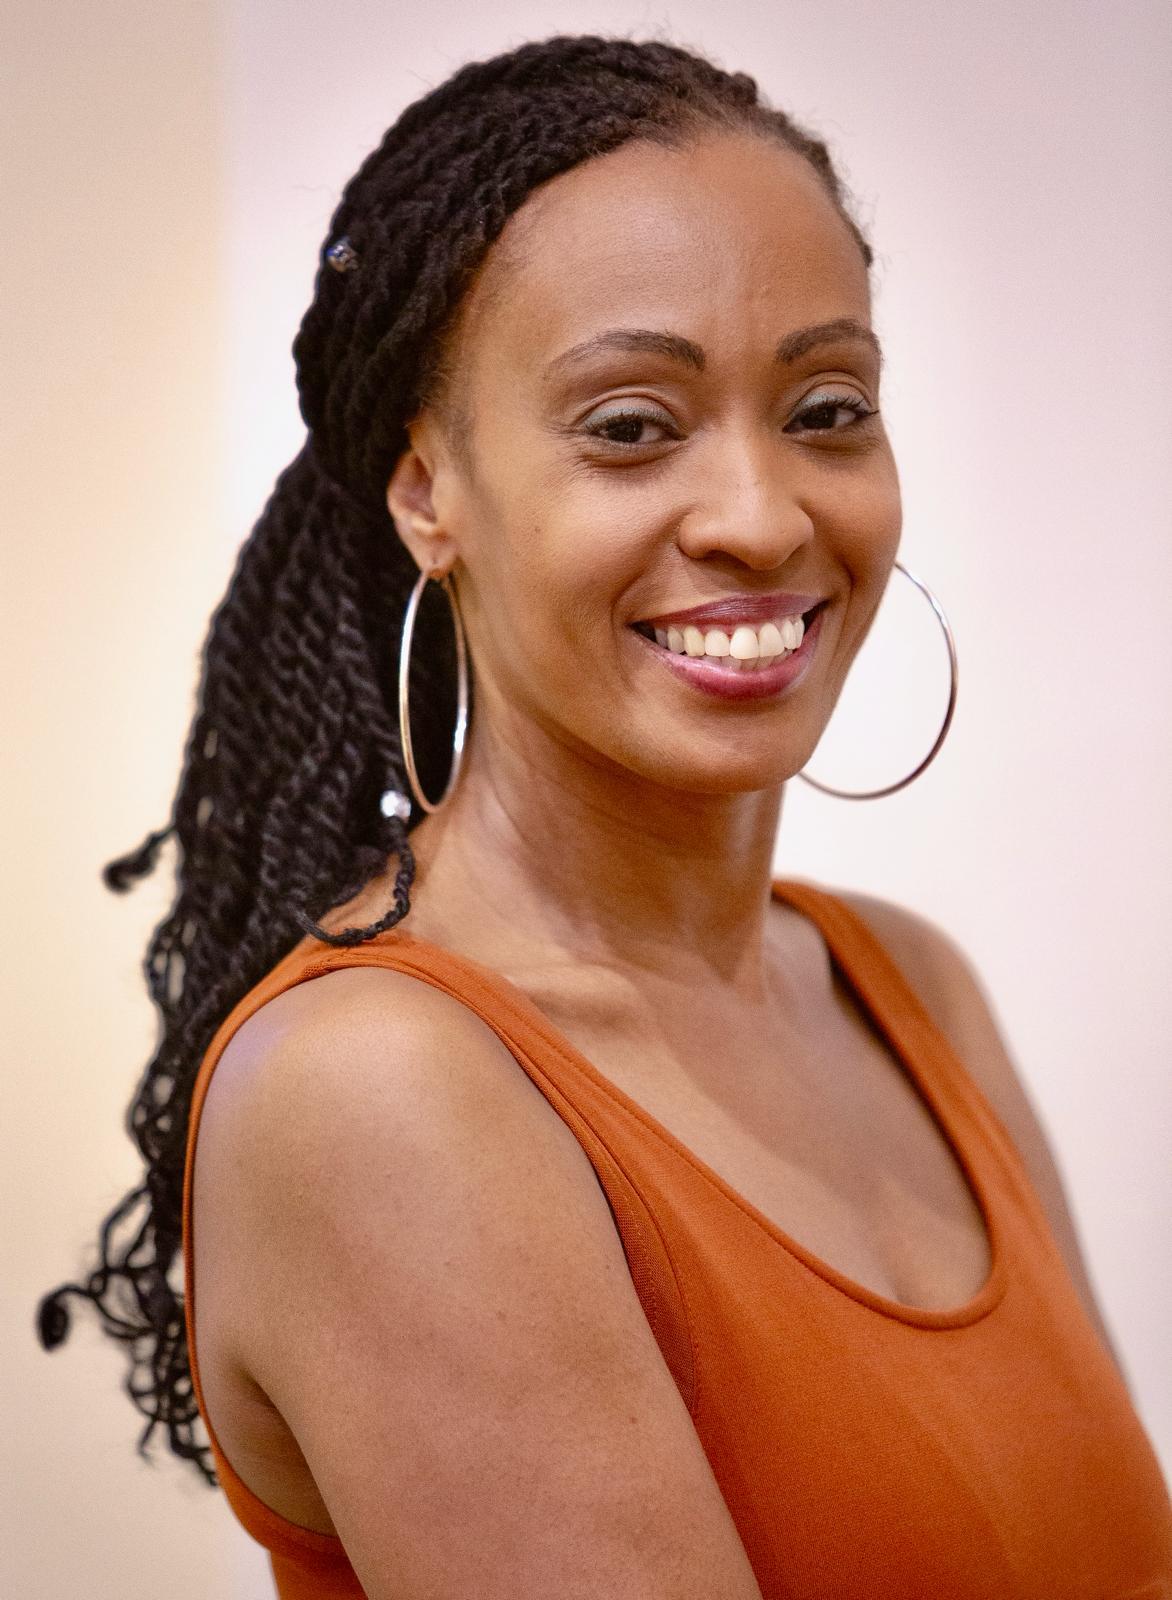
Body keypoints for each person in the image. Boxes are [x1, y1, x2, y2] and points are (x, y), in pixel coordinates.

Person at [38, 32, 1172, 1600]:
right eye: (631, 425)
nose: (761, 516)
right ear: (428, 492)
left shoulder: (909, 990)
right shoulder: (382, 1094)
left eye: (827, 407)